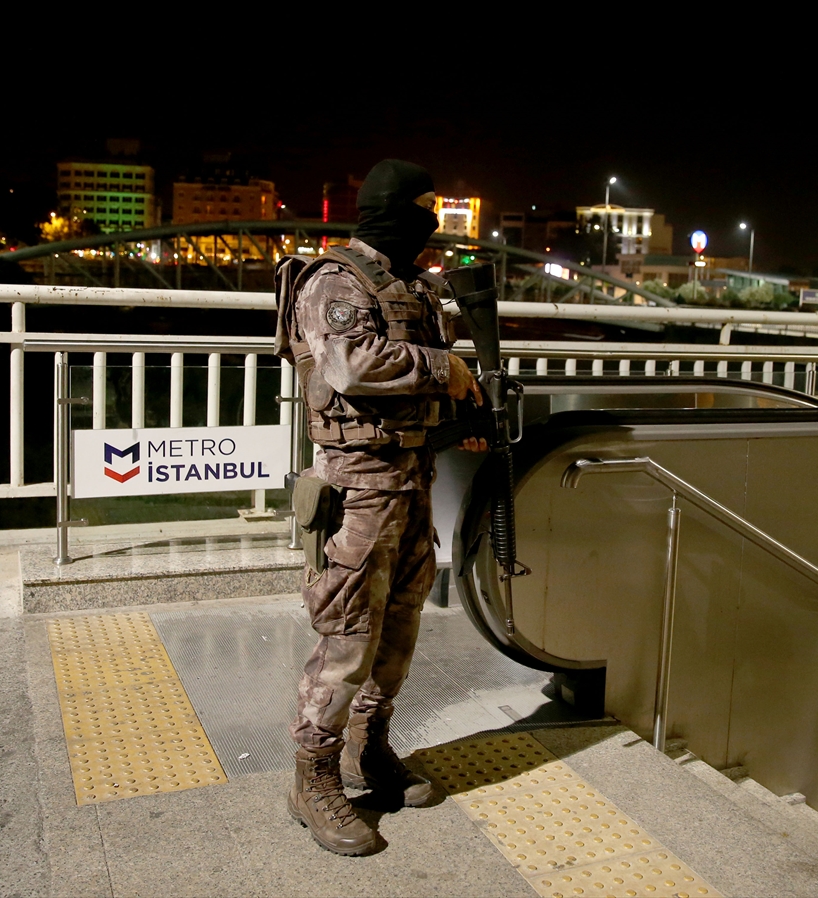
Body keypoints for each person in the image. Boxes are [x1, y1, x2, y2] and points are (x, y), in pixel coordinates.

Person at [278, 159, 485, 856]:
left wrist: (462, 407)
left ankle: (369, 749)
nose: (431, 225)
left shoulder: (412, 286)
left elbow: (417, 381)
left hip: (412, 479)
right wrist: (444, 370)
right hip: (359, 487)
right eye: (423, 210)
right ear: (392, 211)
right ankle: (313, 777)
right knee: (348, 637)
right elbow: (351, 365)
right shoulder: (335, 281)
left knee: (399, 627)